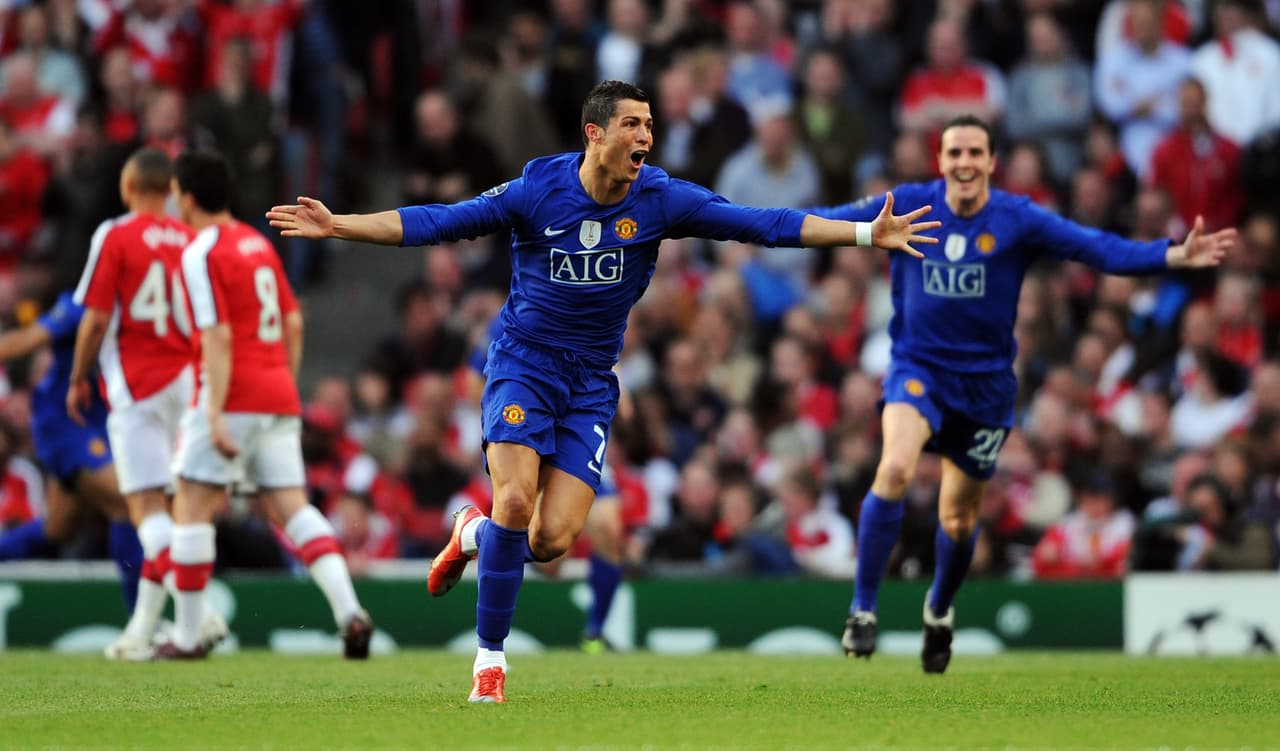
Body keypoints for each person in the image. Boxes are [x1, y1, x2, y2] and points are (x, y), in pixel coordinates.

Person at [266, 80, 938, 702]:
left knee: (551, 540)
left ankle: (473, 535)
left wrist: (863, 234)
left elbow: (763, 224)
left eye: (650, 125)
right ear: (595, 133)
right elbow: (440, 220)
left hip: (589, 383)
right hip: (524, 365)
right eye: (632, 124)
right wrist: (341, 224)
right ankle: (490, 662)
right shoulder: (539, 188)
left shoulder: (661, 198)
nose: (646, 136)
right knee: (515, 498)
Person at [812, 114, 1235, 674]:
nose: (964, 162)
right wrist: (746, 223)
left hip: (984, 388)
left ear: (991, 162)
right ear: (940, 161)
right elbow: (825, 223)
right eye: (954, 152)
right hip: (918, 370)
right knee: (893, 469)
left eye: (975, 152)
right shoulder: (907, 205)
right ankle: (863, 609)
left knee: (958, 517)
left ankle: (939, 608)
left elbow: (1097, 248)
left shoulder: (1017, 218)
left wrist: (1172, 255)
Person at [156, 150, 373, 660]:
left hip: (232, 392)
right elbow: (293, 322)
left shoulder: (200, 252)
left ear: (186, 198)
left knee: (190, 504)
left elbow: (217, 335)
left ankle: (187, 637)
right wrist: (283, 387)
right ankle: (350, 612)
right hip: (277, 393)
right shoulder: (257, 243)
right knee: (292, 508)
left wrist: (213, 412)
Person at [67, 147, 212, 661]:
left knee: (146, 509)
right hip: (188, 381)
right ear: (171, 191)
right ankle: (140, 632)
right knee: (174, 509)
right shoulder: (191, 239)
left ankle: (199, 611)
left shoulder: (116, 234)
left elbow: (95, 318)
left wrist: (78, 376)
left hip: (137, 382)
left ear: (128, 188)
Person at [0, 291, 141, 615]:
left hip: (104, 423)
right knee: (126, 502)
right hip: (64, 422)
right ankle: (143, 623)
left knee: (59, 528)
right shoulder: (84, 303)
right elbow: (24, 341)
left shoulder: (153, 307)